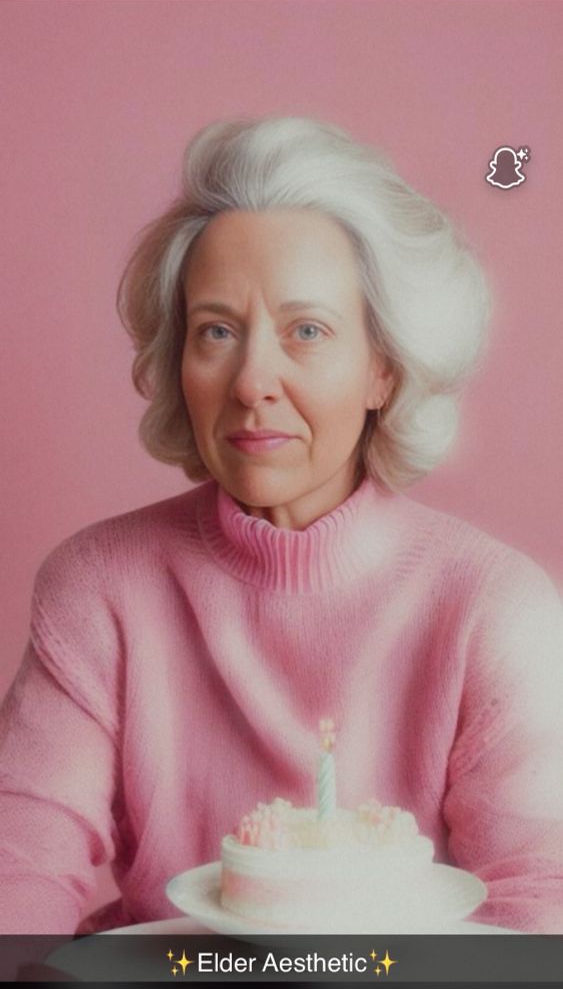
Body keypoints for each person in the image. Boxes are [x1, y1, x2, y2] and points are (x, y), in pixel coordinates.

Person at [1, 114, 562, 941]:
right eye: (216, 331)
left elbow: (539, 902)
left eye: (307, 330)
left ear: (382, 367)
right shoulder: (97, 585)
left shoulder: (489, 604)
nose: (252, 378)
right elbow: (19, 868)